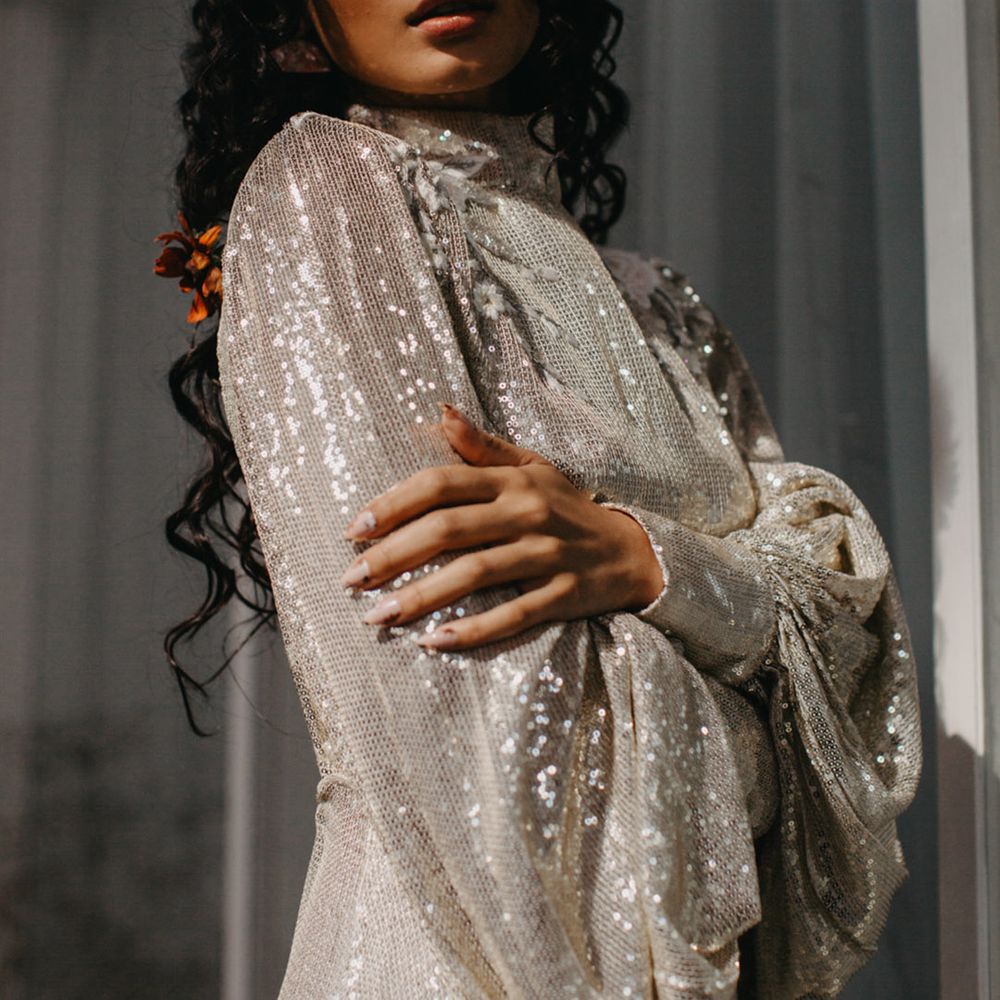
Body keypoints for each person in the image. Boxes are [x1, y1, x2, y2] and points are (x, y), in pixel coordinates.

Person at [157, 1, 923, 997]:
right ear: (295, 21)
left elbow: (849, 672)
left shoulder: (663, 307)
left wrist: (648, 563)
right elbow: (484, 728)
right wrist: (748, 669)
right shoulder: (329, 188)